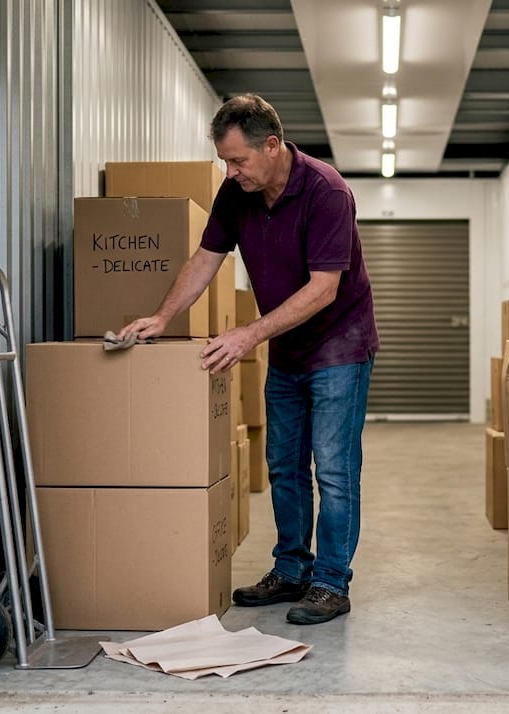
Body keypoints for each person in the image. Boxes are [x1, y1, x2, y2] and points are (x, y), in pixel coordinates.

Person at [117, 94, 379, 625]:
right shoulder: (238, 193)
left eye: (238, 160)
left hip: (339, 346)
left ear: (273, 146)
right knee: (284, 466)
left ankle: (330, 582)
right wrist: (164, 317)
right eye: (224, 161)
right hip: (288, 346)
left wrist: (249, 335)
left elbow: (325, 289)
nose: (230, 171)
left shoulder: (326, 191)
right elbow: (205, 259)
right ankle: (291, 570)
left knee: (332, 469)